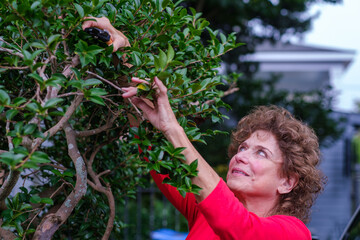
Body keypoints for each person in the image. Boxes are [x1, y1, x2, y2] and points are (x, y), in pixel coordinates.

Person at [83, 17, 325, 240]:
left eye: (261, 152)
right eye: (243, 148)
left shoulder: (292, 233)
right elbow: (154, 149)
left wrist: (173, 128)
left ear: (287, 182)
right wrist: (120, 50)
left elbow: (238, 227)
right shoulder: (204, 213)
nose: (240, 156)